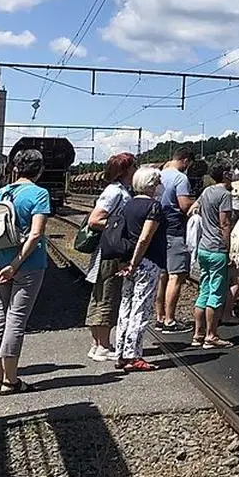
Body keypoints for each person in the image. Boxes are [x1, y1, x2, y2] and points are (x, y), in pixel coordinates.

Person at [0, 149, 52, 394]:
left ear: (15, 168)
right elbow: (36, 234)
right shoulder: (39, 194)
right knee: (16, 319)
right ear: (39, 170)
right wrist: (16, 264)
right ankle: (11, 380)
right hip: (27, 266)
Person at [83, 152, 137, 363]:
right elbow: (95, 220)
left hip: (106, 250)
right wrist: (119, 228)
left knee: (100, 296)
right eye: (133, 167)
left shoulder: (117, 190)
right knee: (108, 295)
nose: (135, 171)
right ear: (125, 170)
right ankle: (103, 345)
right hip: (110, 252)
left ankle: (98, 344)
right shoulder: (115, 192)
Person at [113, 167, 166, 372]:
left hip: (127, 263)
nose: (161, 185)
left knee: (125, 306)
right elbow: (145, 238)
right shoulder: (154, 207)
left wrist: (127, 264)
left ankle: (120, 353)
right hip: (146, 262)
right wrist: (135, 262)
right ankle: (133, 355)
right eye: (158, 181)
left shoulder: (128, 205)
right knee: (140, 309)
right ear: (152, 184)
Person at [192, 161, 234, 349]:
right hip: (217, 249)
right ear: (225, 175)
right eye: (230, 171)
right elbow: (224, 224)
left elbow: (194, 208)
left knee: (204, 290)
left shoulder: (207, 191)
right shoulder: (225, 195)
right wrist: (228, 247)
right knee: (216, 294)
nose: (233, 174)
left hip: (203, 247)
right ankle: (211, 335)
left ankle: (197, 334)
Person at [156, 147, 196, 334]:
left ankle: (159, 317)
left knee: (162, 275)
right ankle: (170, 321)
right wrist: (196, 203)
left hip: (159, 229)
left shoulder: (159, 175)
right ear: (185, 160)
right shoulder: (181, 178)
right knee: (176, 275)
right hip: (175, 229)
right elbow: (184, 205)